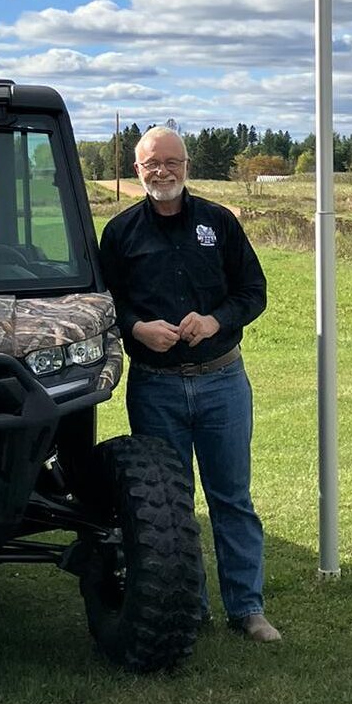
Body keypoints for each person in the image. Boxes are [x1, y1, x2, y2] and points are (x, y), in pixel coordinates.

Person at [98, 127, 278, 642]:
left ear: (186, 165)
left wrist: (217, 320)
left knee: (232, 498)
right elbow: (105, 301)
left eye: (171, 162)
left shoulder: (219, 223)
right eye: (152, 163)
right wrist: (136, 327)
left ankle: (247, 609)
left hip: (222, 382)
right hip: (155, 388)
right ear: (137, 170)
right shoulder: (121, 232)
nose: (163, 171)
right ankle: (190, 608)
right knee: (168, 505)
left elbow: (253, 291)